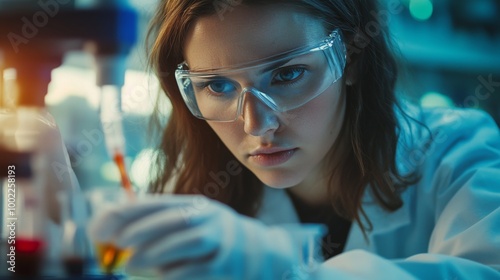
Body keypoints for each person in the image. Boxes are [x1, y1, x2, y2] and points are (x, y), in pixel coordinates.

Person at [88, 0, 500, 279]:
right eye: (217, 86)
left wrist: (276, 263)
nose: (256, 125)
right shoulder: (199, 192)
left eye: (287, 75)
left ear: (351, 59)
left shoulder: (457, 155)